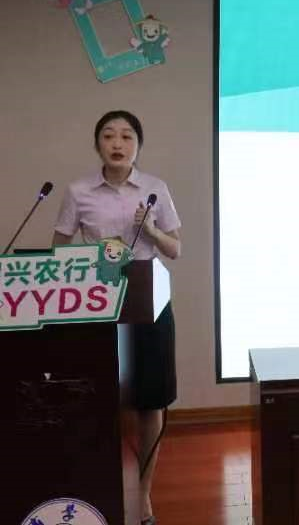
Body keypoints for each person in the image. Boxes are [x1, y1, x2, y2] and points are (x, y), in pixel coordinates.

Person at [52, 110, 181, 525]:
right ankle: (100, 488)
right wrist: (90, 258)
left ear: (138, 145)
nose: (118, 143)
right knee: (98, 400)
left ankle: (144, 494)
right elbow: (59, 250)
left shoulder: (155, 188)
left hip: (148, 302)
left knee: (150, 401)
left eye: (127, 136)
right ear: (98, 145)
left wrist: (151, 230)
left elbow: (175, 249)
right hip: (98, 303)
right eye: (109, 136)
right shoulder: (78, 191)